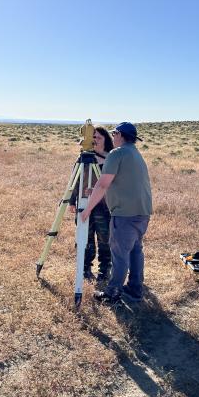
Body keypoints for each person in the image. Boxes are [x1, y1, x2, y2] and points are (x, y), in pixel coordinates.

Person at [81, 122, 152, 303]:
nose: (113, 136)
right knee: (135, 251)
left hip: (125, 213)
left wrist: (87, 209)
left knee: (119, 254)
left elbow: (103, 184)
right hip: (142, 212)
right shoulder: (135, 153)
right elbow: (118, 182)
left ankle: (113, 292)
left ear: (120, 135)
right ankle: (135, 290)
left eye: (114, 133)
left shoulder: (116, 153)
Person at [69, 126, 114, 282]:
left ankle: (104, 270)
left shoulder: (111, 159)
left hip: (103, 206)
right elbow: (75, 180)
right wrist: (71, 201)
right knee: (84, 238)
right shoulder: (83, 158)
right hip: (83, 203)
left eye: (98, 137)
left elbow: (113, 184)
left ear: (106, 140)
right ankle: (85, 267)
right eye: (93, 137)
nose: (95, 140)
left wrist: (95, 190)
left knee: (105, 240)